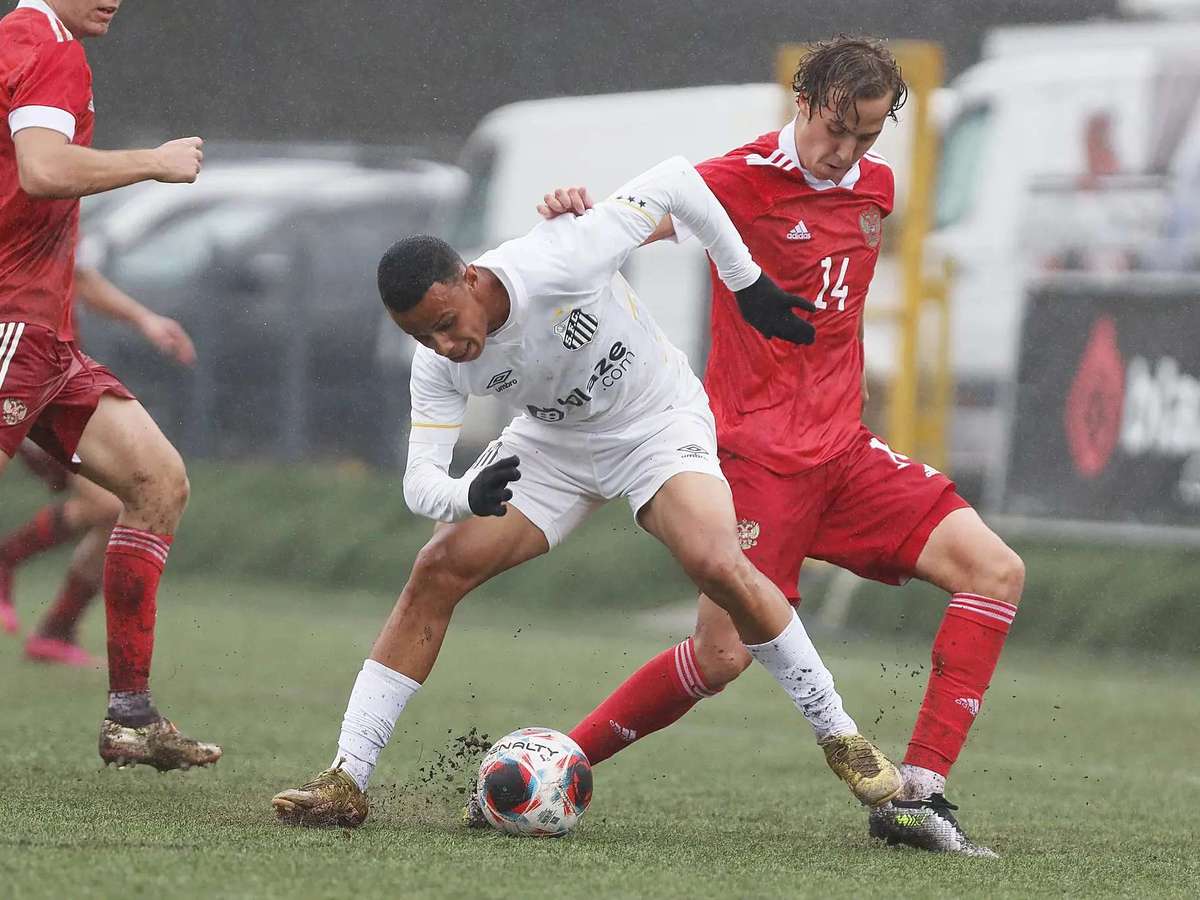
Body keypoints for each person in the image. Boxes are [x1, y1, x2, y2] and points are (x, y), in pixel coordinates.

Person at [270, 156, 902, 828]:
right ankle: (345, 780)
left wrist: (746, 282)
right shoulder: (437, 362)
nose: (443, 344)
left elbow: (679, 181)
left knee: (717, 563)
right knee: (435, 568)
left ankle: (840, 735)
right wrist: (466, 498)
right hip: (552, 444)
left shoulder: (561, 256)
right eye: (422, 335)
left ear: (472, 279)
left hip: (655, 421)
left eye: (446, 322)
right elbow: (420, 481)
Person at [535, 37, 1023, 858]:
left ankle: (918, 796)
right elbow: (636, 221)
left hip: (846, 455)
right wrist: (575, 215)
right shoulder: (736, 180)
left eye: (868, 137)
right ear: (803, 103)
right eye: (838, 131)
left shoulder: (877, 187)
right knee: (720, 657)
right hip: (755, 464)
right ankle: (562, 761)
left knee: (996, 571)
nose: (848, 153)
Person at [0, 0, 219, 769]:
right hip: (8, 326)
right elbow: (45, 169)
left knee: (157, 482)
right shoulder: (44, 45)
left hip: (48, 339)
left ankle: (129, 715)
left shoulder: (27, 42)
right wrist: (153, 161)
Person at [1, 264, 196, 667]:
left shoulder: (58, 219)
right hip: (20, 374)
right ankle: (9, 561)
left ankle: (57, 627)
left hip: (55, 372)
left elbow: (81, 277)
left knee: (131, 500)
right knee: (110, 504)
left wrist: (145, 319)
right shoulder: (30, 200)